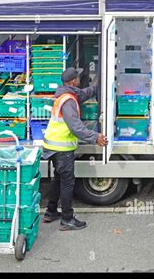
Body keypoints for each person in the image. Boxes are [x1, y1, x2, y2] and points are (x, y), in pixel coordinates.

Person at [42, 67, 108, 231]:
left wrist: (98, 85)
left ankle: (50, 212)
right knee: (67, 182)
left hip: (54, 145)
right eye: (78, 77)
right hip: (61, 148)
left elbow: (84, 93)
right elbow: (75, 127)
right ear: (73, 81)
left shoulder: (67, 94)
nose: (80, 79)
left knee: (58, 178)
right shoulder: (68, 101)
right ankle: (67, 219)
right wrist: (95, 137)